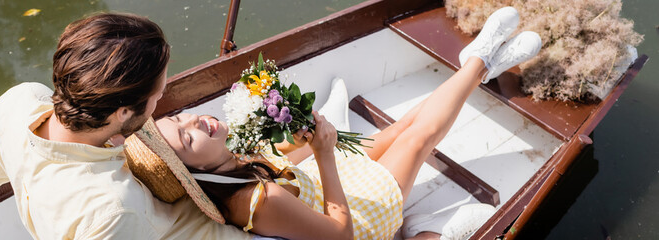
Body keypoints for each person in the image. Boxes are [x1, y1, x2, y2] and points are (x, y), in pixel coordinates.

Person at [129, 7, 542, 240]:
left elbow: (278, 160)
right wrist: (326, 153)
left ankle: (474, 73)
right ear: (193, 171)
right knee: (419, 139)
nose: (196, 122)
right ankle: (479, 60)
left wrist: (298, 131)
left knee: (396, 131)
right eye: (186, 137)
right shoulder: (255, 201)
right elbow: (338, 235)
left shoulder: (228, 158)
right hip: (356, 222)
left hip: (315, 182)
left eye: (181, 116)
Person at [0, 13, 252, 239]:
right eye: (157, 94)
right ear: (121, 113)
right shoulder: (112, 210)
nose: (160, 101)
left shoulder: (20, 101)